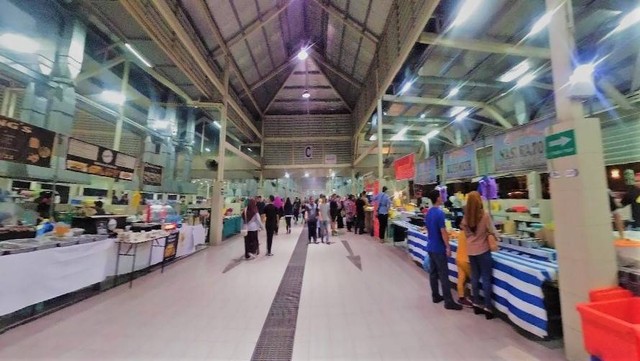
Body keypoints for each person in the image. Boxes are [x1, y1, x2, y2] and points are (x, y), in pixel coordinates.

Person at [460, 191, 497, 319]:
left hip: (471, 251)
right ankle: (488, 307)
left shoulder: (465, 218)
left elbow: (466, 234)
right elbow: (492, 231)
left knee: (474, 278)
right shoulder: (485, 216)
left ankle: (476, 303)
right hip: (483, 251)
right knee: (486, 279)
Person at [424, 189, 462, 311]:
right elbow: (443, 232)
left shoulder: (428, 213)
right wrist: (448, 246)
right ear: (437, 198)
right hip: (439, 248)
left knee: (433, 273)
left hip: (430, 246)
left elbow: (429, 229)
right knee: (444, 275)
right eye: (440, 196)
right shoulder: (440, 213)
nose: (442, 198)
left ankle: (435, 295)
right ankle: (448, 301)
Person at [455, 231, 473, 307]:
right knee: (474, 278)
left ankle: (461, 298)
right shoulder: (471, 234)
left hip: (458, 258)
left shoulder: (461, 233)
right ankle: (475, 298)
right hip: (466, 260)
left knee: (461, 278)